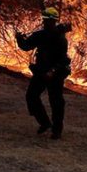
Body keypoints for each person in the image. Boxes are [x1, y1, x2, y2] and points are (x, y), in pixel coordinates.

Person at [16, 7, 71, 139]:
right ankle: (45, 123)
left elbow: (63, 59)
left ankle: (56, 130)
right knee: (32, 96)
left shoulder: (59, 38)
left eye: (47, 20)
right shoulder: (42, 35)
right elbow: (26, 46)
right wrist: (20, 39)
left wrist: (53, 71)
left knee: (56, 101)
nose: (45, 22)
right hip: (42, 71)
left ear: (53, 21)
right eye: (45, 19)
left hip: (54, 74)